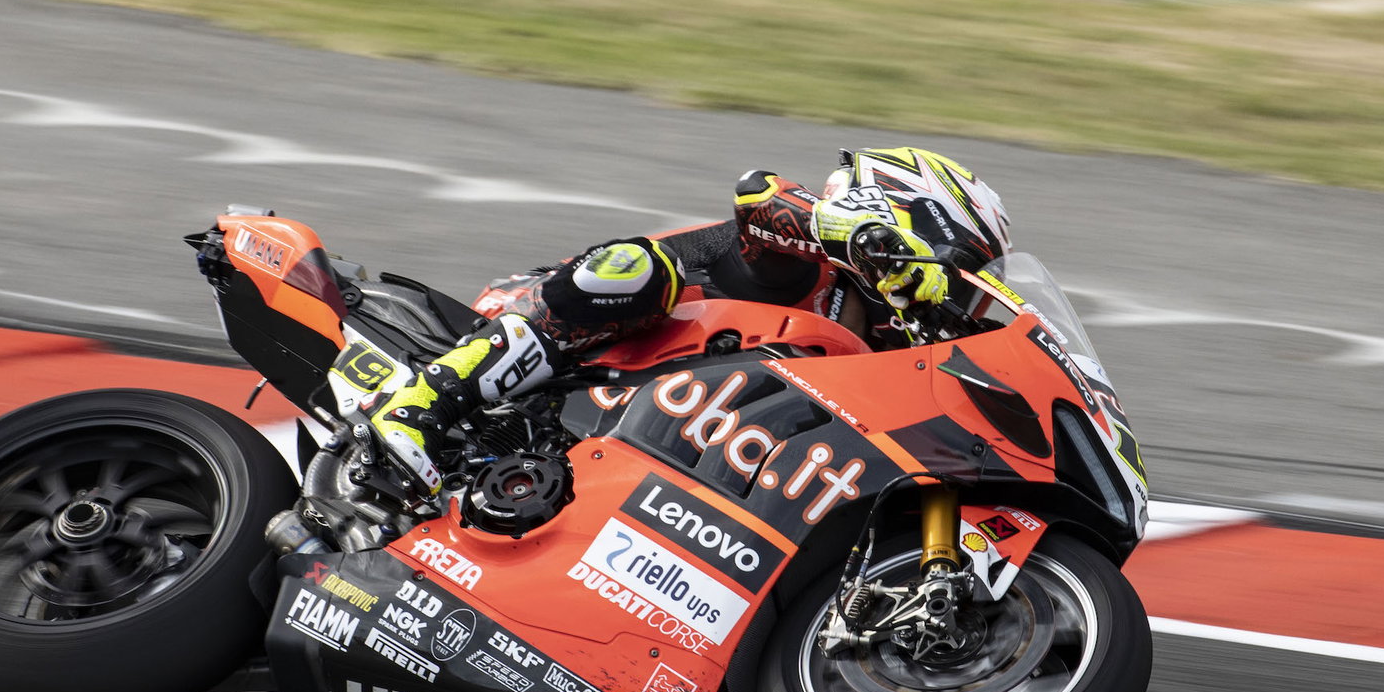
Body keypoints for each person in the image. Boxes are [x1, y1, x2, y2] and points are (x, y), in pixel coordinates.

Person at [360, 146, 1013, 494]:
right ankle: (420, 404)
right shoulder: (810, 263)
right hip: (554, 340)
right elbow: (759, 197)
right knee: (636, 269)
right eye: (958, 260)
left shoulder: (873, 347)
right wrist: (863, 239)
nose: (956, 287)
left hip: (625, 447)